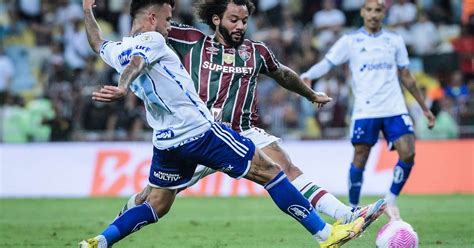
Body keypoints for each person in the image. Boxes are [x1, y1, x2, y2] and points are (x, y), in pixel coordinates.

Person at [78, 0, 367, 247]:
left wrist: (87, 10)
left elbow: (96, 42)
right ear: (152, 18)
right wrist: (124, 87)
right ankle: (326, 234)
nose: (169, 26)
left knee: (156, 202)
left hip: (166, 140)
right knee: (270, 172)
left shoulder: (118, 49)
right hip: (201, 130)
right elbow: (139, 62)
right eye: (167, 18)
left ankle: (100, 241)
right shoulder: (155, 39)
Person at [301, 0, 436, 221]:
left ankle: (390, 201)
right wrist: (309, 74)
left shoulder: (395, 40)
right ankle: (353, 211)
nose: (373, 14)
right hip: (366, 110)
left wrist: (424, 108)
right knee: (360, 157)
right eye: (370, 10)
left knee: (409, 152)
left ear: (384, 13)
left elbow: (406, 76)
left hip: (394, 107)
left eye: (378, 10)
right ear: (362, 12)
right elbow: (328, 62)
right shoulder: (350, 41)